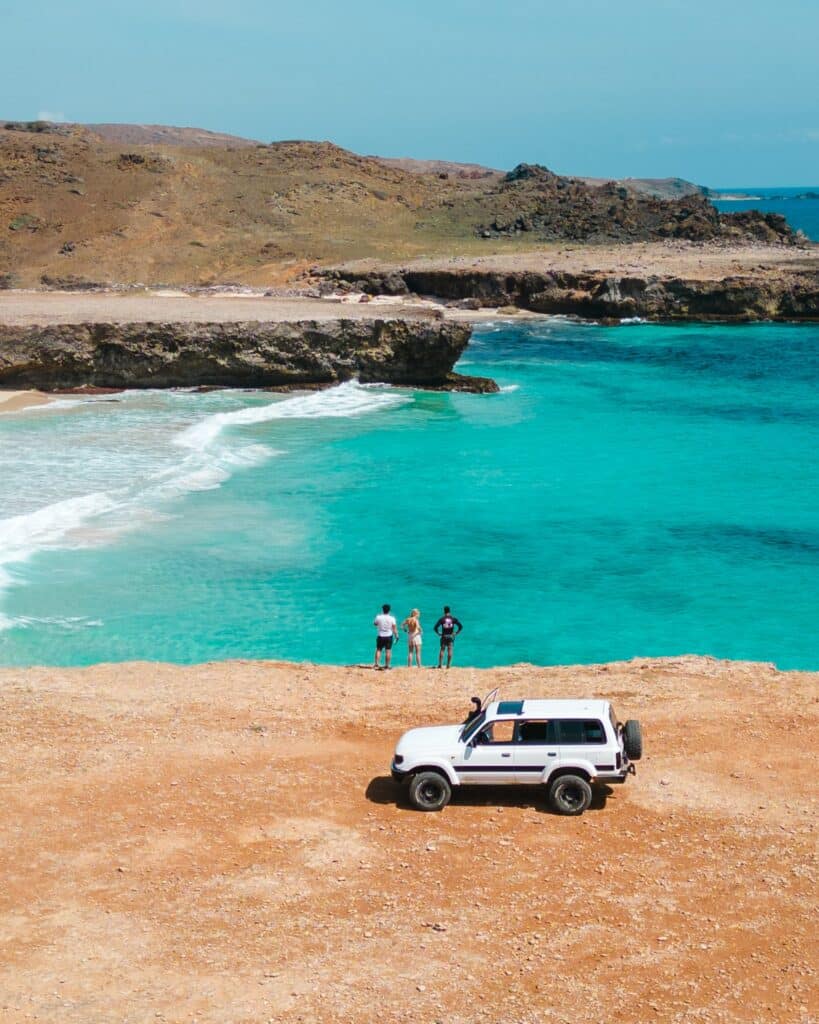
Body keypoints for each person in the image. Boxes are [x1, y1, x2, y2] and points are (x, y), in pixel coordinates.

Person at [373, 603, 398, 670]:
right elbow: (394, 628)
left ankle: (376, 664)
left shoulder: (378, 617)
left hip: (380, 635)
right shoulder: (392, 618)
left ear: (382, 609)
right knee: (388, 651)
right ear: (389, 610)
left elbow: (375, 624)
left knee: (378, 650)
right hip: (389, 636)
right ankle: (387, 665)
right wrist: (396, 636)